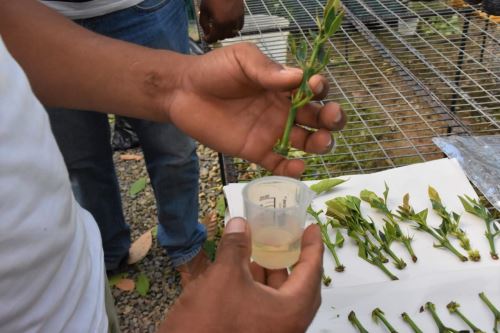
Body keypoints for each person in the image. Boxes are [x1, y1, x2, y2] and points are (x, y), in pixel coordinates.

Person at [0, 0, 346, 331]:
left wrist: (178, 86)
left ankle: (181, 245)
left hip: (70, 283)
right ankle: (110, 251)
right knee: (82, 162)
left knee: (174, 153)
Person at [39, 0, 245, 282]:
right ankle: (104, 250)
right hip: (40, 17)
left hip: (145, 7)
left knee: (173, 147)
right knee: (79, 159)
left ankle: (185, 244)